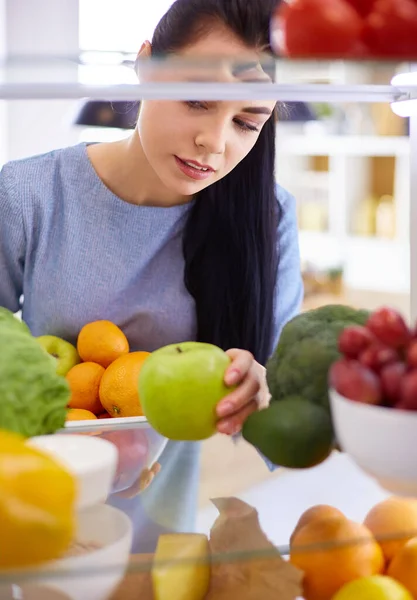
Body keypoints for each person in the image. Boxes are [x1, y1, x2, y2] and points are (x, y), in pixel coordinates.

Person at [0, 0, 303, 552]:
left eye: (245, 122)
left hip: (172, 535)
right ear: (145, 65)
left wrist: (262, 396)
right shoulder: (29, 195)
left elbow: (287, 434)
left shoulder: (268, 218)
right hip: (33, 508)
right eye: (195, 101)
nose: (214, 142)